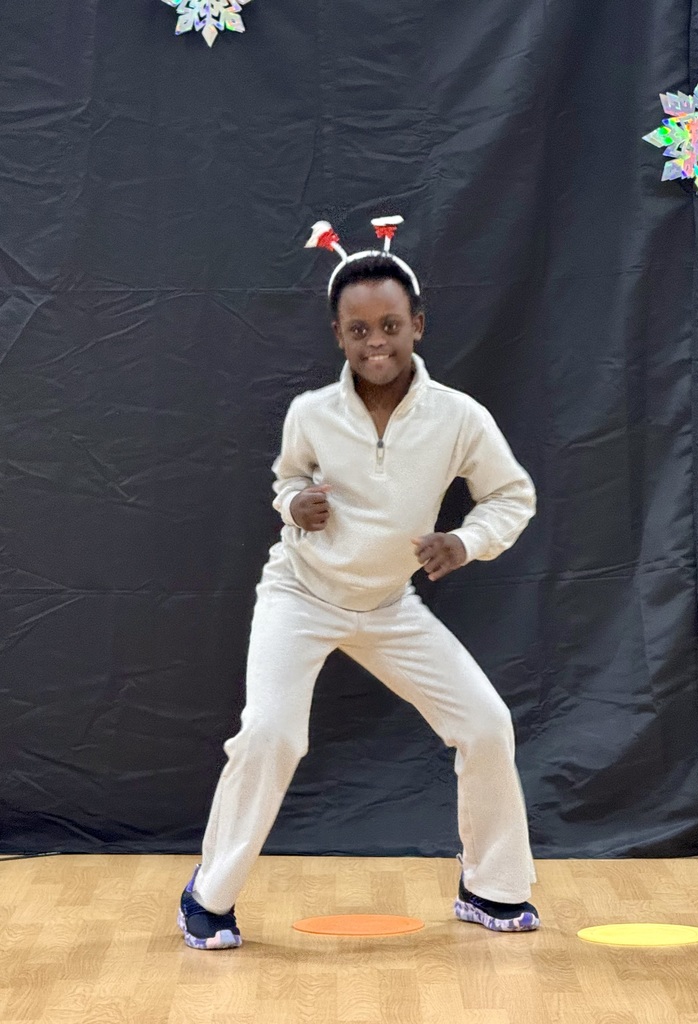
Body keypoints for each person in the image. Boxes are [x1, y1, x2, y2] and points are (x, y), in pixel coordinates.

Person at [178, 217, 539, 950]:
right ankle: (207, 896)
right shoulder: (310, 413)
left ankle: (492, 888)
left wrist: (464, 542)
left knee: (486, 723)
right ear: (338, 336)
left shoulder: (458, 417)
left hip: (386, 605)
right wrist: (293, 504)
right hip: (300, 597)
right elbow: (285, 482)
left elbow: (512, 496)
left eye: (391, 325)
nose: (377, 342)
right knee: (272, 734)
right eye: (358, 330)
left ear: (417, 325)